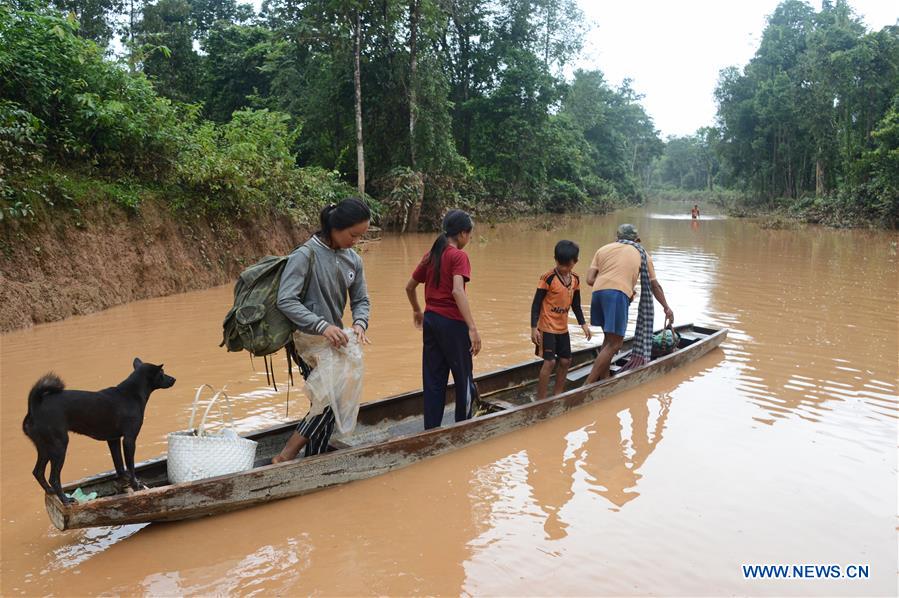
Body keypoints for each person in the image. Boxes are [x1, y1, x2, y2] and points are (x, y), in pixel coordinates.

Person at [272, 198, 372, 462]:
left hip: (335, 339)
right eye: (353, 235)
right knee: (329, 402)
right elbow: (286, 300)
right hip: (306, 341)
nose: (356, 242)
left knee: (328, 400)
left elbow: (361, 300)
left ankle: (314, 460)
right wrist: (321, 326)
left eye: (360, 237)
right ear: (336, 228)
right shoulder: (305, 255)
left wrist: (360, 322)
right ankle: (285, 456)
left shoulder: (353, 260)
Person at [405, 210, 481, 430]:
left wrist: (417, 311)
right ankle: (462, 429)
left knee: (433, 380)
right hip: (453, 325)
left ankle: (431, 430)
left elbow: (409, 286)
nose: (469, 240)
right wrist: (473, 328)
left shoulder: (431, 255)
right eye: (469, 235)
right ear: (462, 234)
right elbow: (458, 292)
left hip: (431, 321)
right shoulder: (458, 256)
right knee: (463, 378)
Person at [584, 224, 673, 384]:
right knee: (616, 344)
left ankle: (604, 379)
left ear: (616, 238)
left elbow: (590, 280)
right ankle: (588, 385)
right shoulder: (642, 253)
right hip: (617, 295)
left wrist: (609, 282)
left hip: (598, 294)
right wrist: (666, 307)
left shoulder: (603, 249)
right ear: (637, 240)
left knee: (608, 340)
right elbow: (655, 286)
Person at [530, 240, 591, 401]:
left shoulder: (576, 280)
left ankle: (557, 394)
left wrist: (583, 324)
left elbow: (576, 305)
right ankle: (541, 400)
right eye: (561, 264)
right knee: (549, 363)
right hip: (547, 327)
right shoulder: (548, 278)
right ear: (555, 260)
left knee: (566, 360)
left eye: (568, 266)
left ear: (575, 262)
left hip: (562, 328)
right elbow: (536, 304)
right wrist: (533, 327)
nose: (564, 269)